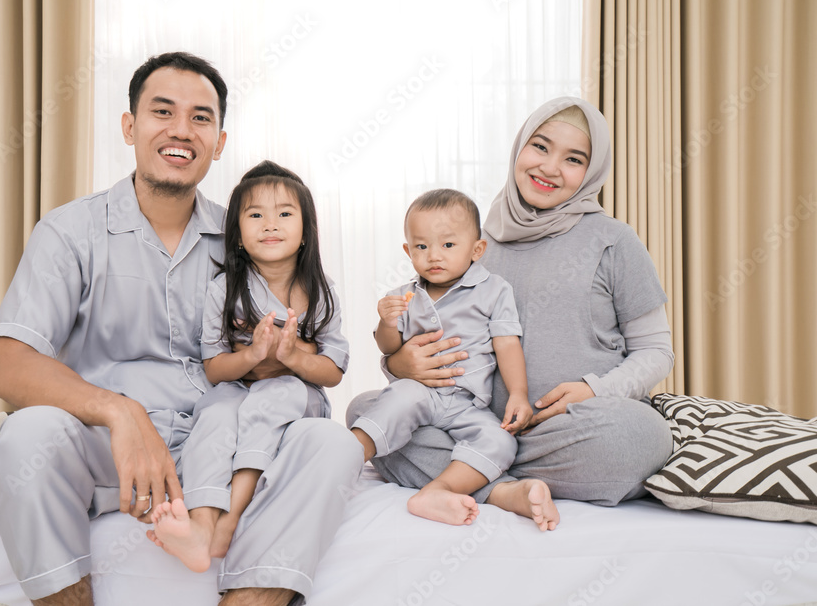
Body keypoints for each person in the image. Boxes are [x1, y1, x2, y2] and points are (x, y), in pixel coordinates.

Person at [0, 52, 362, 606]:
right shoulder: (69, 231)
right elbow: (9, 366)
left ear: (219, 141)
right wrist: (120, 411)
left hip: (223, 441)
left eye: (201, 118)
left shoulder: (246, 239)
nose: (181, 130)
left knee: (330, 443)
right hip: (108, 446)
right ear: (129, 126)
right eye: (163, 112)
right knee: (24, 439)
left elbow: (302, 344)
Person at [347, 96, 675, 518]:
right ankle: (501, 486)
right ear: (519, 147)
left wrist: (595, 388)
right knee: (366, 409)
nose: (550, 167)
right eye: (540, 147)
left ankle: (478, 473)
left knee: (641, 436)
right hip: (471, 420)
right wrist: (399, 365)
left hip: (567, 429)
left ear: (592, 172)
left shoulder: (614, 241)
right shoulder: (470, 243)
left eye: (573, 159)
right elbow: (418, 332)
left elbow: (655, 351)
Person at [148, 160, 349, 572]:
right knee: (217, 411)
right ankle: (201, 526)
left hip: (298, 396)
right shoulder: (224, 289)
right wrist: (254, 356)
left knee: (280, 391)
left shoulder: (320, 292)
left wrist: (292, 358)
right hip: (238, 389)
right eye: (255, 214)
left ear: (307, 230)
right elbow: (215, 368)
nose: (270, 224)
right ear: (237, 236)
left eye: (285, 214)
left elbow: (334, 370)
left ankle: (231, 517)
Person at [349, 189, 558, 530]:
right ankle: (341, 461)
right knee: (395, 401)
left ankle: (437, 491)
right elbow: (389, 349)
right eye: (421, 246)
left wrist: (518, 394)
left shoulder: (493, 290)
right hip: (419, 392)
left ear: (477, 250)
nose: (434, 256)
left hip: (467, 405)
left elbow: (506, 344)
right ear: (408, 251)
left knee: (500, 441)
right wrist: (387, 322)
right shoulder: (403, 296)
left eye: (447, 245)